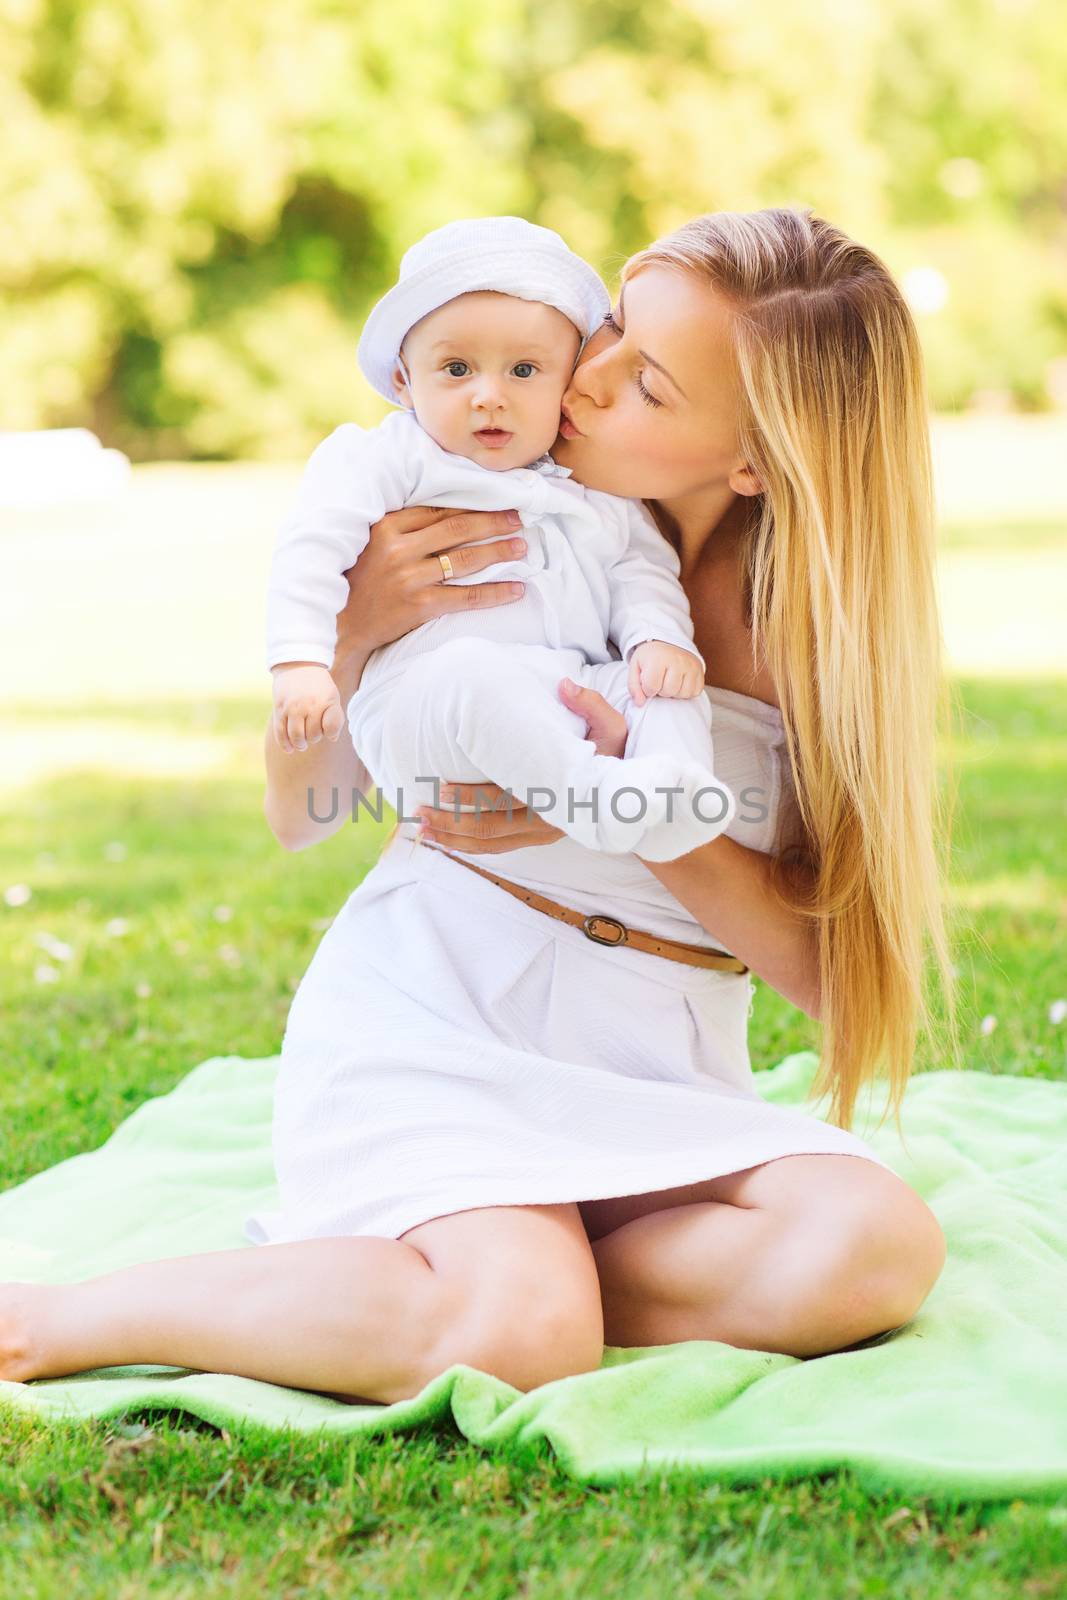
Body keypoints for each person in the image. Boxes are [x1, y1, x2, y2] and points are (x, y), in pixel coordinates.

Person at [0, 208, 951, 1405]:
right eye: (608, 329)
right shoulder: (480, 522)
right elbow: (305, 816)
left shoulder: (809, 634)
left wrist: (634, 819)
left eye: (646, 384)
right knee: (516, 1330)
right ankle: (53, 1320)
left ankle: (505, 1267)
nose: (582, 381)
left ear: (752, 458)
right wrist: (348, 641)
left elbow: (837, 978)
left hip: (649, 1059)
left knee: (874, 1249)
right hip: (434, 1010)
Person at [267, 214, 736, 861]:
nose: (489, 396)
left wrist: (657, 639)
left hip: (559, 692)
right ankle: (596, 803)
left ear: (564, 380)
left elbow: (638, 566)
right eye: (456, 369)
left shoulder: (587, 483)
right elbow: (311, 546)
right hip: (421, 703)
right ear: (404, 381)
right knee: (471, 672)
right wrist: (301, 662)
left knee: (660, 685)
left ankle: (673, 788)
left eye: (523, 371)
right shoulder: (392, 457)